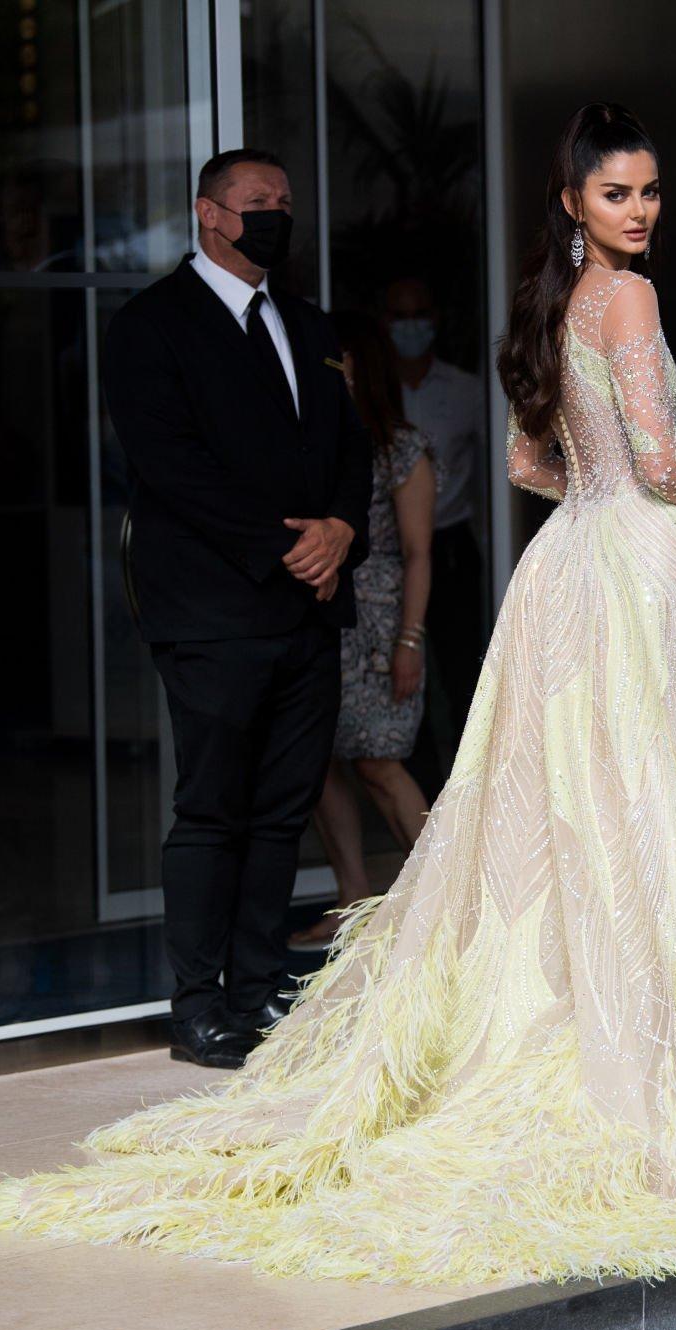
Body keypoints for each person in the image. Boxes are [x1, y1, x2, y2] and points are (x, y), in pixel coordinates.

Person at [0, 103, 676, 1293]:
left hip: (564, 565)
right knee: (655, 807)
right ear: (573, 203)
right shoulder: (627, 301)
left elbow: (523, 463)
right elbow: (657, 460)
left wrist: (597, 488)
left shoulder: (543, 305)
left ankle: (571, 1023)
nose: (641, 212)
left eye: (651, 192)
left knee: (568, 810)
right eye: (619, 195)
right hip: (632, 567)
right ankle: (647, 1048)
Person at [103, 149, 372, 1070]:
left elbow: (351, 446)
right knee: (214, 807)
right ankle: (200, 1001)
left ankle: (260, 988)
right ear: (209, 215)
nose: (276, 216)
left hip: (309, 610)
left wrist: (340, 528)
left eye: (286, 202)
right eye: (258, 202)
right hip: (214, 610)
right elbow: (171, 467)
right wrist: (283, 545)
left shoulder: (308, 322)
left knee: (282, 808)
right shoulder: (151, 326)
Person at [295, 311, 436, 949]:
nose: (333, 374)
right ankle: (354, 902)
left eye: (343, 362)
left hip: (380, 625)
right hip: (320, 618)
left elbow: (419, 554)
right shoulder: (313, 442)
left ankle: (447, 900)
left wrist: (410, 639)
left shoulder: (401, 447)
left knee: (381, 762)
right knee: (319, 762)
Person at [381, 276, 486, 786]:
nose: (411, 325)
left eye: (419, 313)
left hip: (450, 547)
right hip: (394, 553)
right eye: (400, 316)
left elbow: (500, 474)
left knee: (463, 671)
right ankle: (421, 798)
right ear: (385, 324)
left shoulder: (468, 391)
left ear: (436, 320)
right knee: (403, 679)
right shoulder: (377, 394)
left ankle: (471, 795)